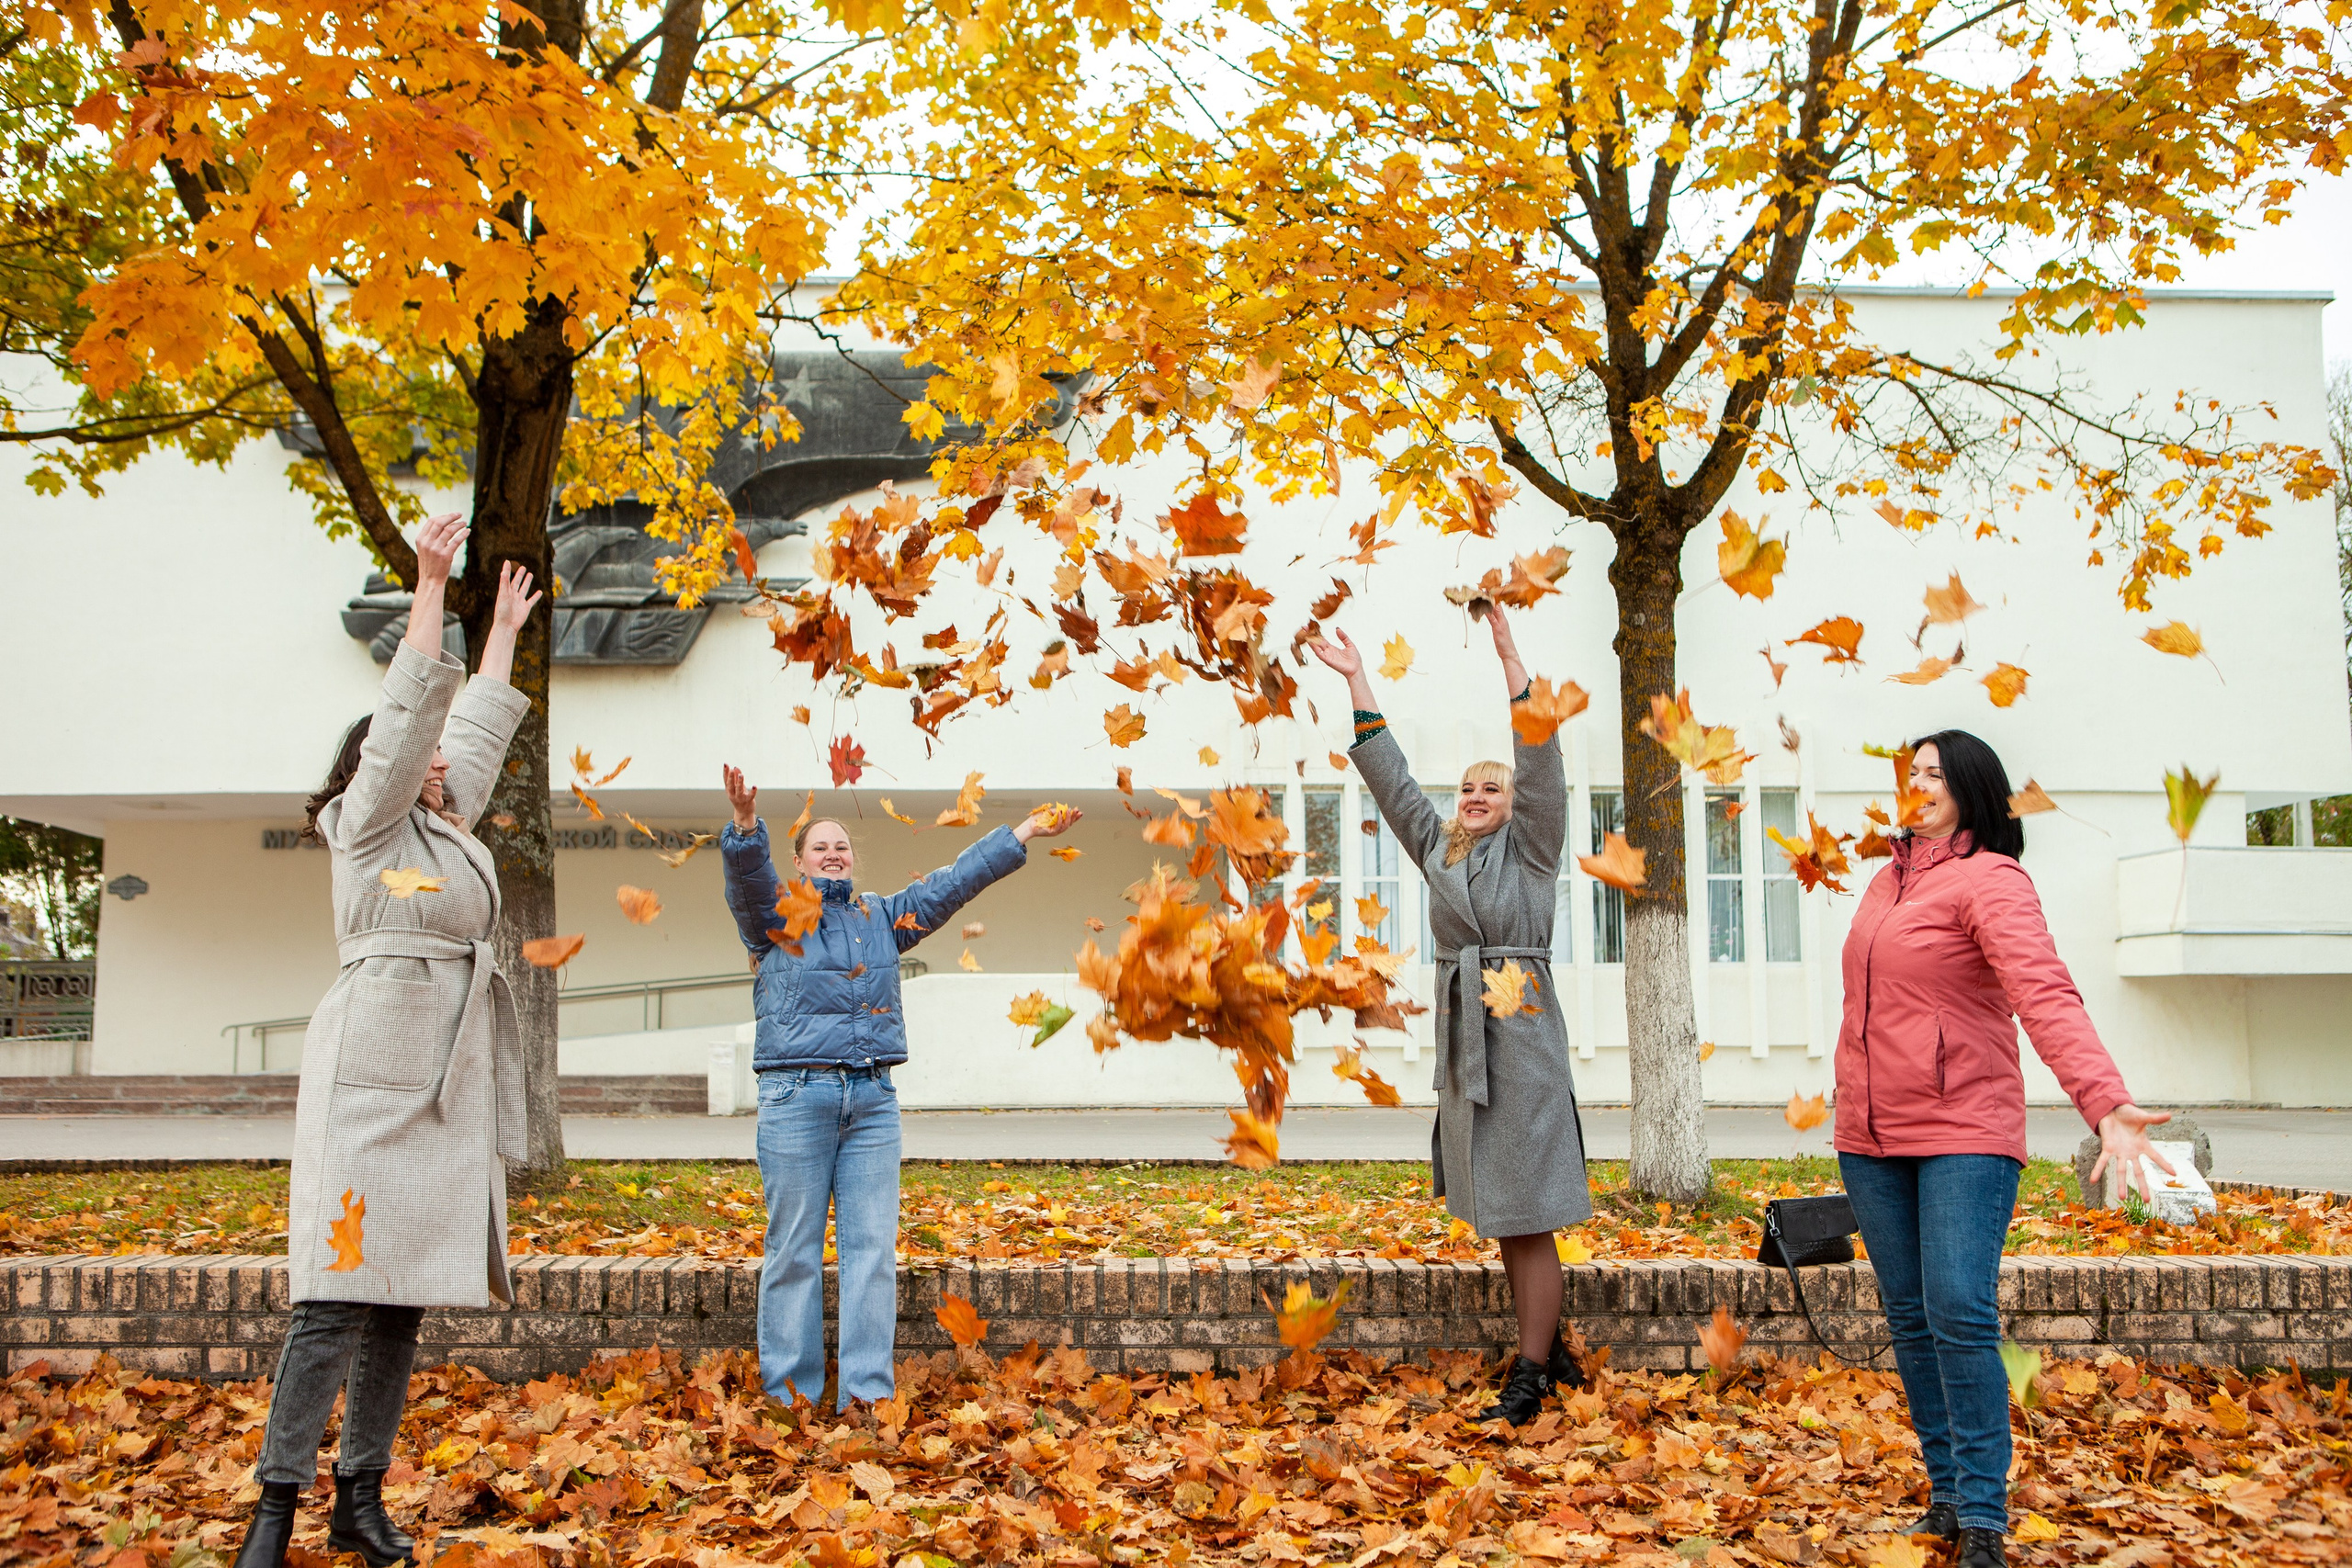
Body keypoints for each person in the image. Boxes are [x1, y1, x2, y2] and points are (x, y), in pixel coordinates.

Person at [235, 514, 541, 1568]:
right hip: (368, 1084)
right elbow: (415, 714)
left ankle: (358, 1498)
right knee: (332, 1296)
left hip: (443, 1090)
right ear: (378, 764)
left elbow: (479, 728)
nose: (434, 765)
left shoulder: (448, 831)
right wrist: (428, 585)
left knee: (406, 1298)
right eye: (413, 756)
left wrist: (498, 631)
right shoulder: (361, 828)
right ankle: (275, 1506)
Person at [1837, 729, 2176, 1568]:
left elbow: (2043, 990)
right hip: (1871, 1136)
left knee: (1958, 1310)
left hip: (1964, 1131)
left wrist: (2107, 1103)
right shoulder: (1887, 878)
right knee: (1912, 1320)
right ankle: (1946, 1495)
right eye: (1909, 773)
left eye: (1935, 775)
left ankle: (1985, 1515)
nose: (1916, 785)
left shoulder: (1992, 877)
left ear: (1971, 791)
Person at [1307, 605, 1592, 1425]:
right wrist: (1358, 679)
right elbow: (1391, 782)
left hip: (1525, 1042)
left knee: (1529, 1213)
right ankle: (1552, 1346)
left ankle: (1531, 1375)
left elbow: (1542, 765)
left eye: (1490, 787)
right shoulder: (1441, 851)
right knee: (1505, 1211)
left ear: (1513, 805)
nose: (1474, 795)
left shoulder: (1533, 851)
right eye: (1467, 786)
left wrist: (1509, 655)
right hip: (1470, 1049)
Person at [718, 773, 1080, 1409]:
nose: (834, 853)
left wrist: (1022, 832)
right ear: (799, 861)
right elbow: (748, 881)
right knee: (794, 1253)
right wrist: (747, 823)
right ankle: (789, 1399)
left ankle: (863, 1399)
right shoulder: (777, 917)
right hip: (796, 1096)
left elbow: (950, 884)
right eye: (821, 846)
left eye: (843, 845)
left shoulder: (880, 917)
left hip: (873, 1102)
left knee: (871, 1254)